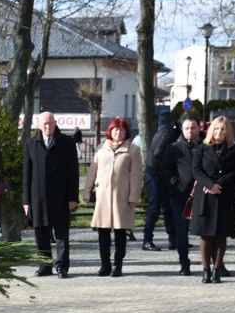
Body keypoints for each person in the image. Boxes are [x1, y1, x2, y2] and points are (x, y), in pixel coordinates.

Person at [23, 111, 79, 278]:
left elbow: (73, 172)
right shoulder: (31, 144)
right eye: (44, 124)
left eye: (51, 123)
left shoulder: (67, 142)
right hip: (37, 196)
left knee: (61, 233)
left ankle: (62, 267)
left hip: (60, 196)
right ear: (39, 125)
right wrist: (26, 201)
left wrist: (72, 197)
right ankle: (44, 265)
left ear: (55, 123)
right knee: (40, 232)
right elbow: (26, 174)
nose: (48, 127)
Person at [85, 117, 143, 277]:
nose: (118, 132)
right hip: (103, 197)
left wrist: (134, 197)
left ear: (126, 132)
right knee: (102, 232)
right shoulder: (101, 149)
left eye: (122, 130)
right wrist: (87, 191)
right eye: (116, 129)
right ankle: (105, 264)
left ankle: (118, 264)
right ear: (110, 131)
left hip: (122, 198)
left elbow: (137, 176)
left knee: (120, 233)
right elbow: (92, 172)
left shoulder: (133, 150)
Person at [192, 116, 235, 283]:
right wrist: (209, 184)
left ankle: (217, 269)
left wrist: (218, 184)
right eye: (216, 128)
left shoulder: (234, 150)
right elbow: (196, 170)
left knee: (221, 234)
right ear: (211, 130)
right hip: (205, 195)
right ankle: (206, 269)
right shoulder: (201, 148)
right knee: (206, 234)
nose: (219, 132)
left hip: (224, 194)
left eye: (222, 129)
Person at [159, 116, 202, 275]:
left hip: (202, 195)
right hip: (179, 195)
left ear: (199, 128)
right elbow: (164, 170)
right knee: (181, 232)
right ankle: (184, 262)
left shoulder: (205, 147)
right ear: (182, 130)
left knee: (206, 231)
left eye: (193, 128)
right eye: (187, 128)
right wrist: (176, 182)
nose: (190, 131)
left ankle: (210, 263)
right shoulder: (174, 148)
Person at [142, 121, 181, 251]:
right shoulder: (170, 133)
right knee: (155, 207)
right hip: (155, 174)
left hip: (156, 173)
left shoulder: (167, 129)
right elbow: (159, 152)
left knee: (167, 207)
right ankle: (147, 240)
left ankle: (173, 239)